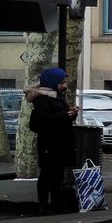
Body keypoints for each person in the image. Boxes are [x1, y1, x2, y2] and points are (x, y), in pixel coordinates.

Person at [26, 66, 78, 213]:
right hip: (49, 144)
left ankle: (56, 204)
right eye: (62, 83)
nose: (64, 85)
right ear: (52, 82)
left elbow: (62, 115)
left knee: (57, 176)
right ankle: (44, 205)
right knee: (47, 174)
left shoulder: (56, 97)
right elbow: (45, 120)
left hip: (60, 144)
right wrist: (65, 115)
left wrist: (71, 113)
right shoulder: (43, 99)